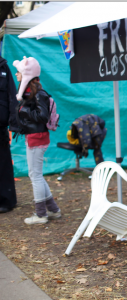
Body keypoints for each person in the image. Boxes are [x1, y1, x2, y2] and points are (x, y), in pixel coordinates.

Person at [13, 56, 61, 225]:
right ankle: (53, 210)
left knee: (35, 176)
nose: (16, 74)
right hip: (34, 137)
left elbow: (42, 116)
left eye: (19, 72)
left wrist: (25, 111)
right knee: (36, 175)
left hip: (37, 138)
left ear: (26, 74)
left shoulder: (39, 94)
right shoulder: (30, 93)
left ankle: (41, 214)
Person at [0, 55, 18, 213]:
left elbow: (12, 95)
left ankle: (6, 200)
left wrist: (13, 121)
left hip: (1, 125)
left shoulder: (3, 67)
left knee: (3, 161)